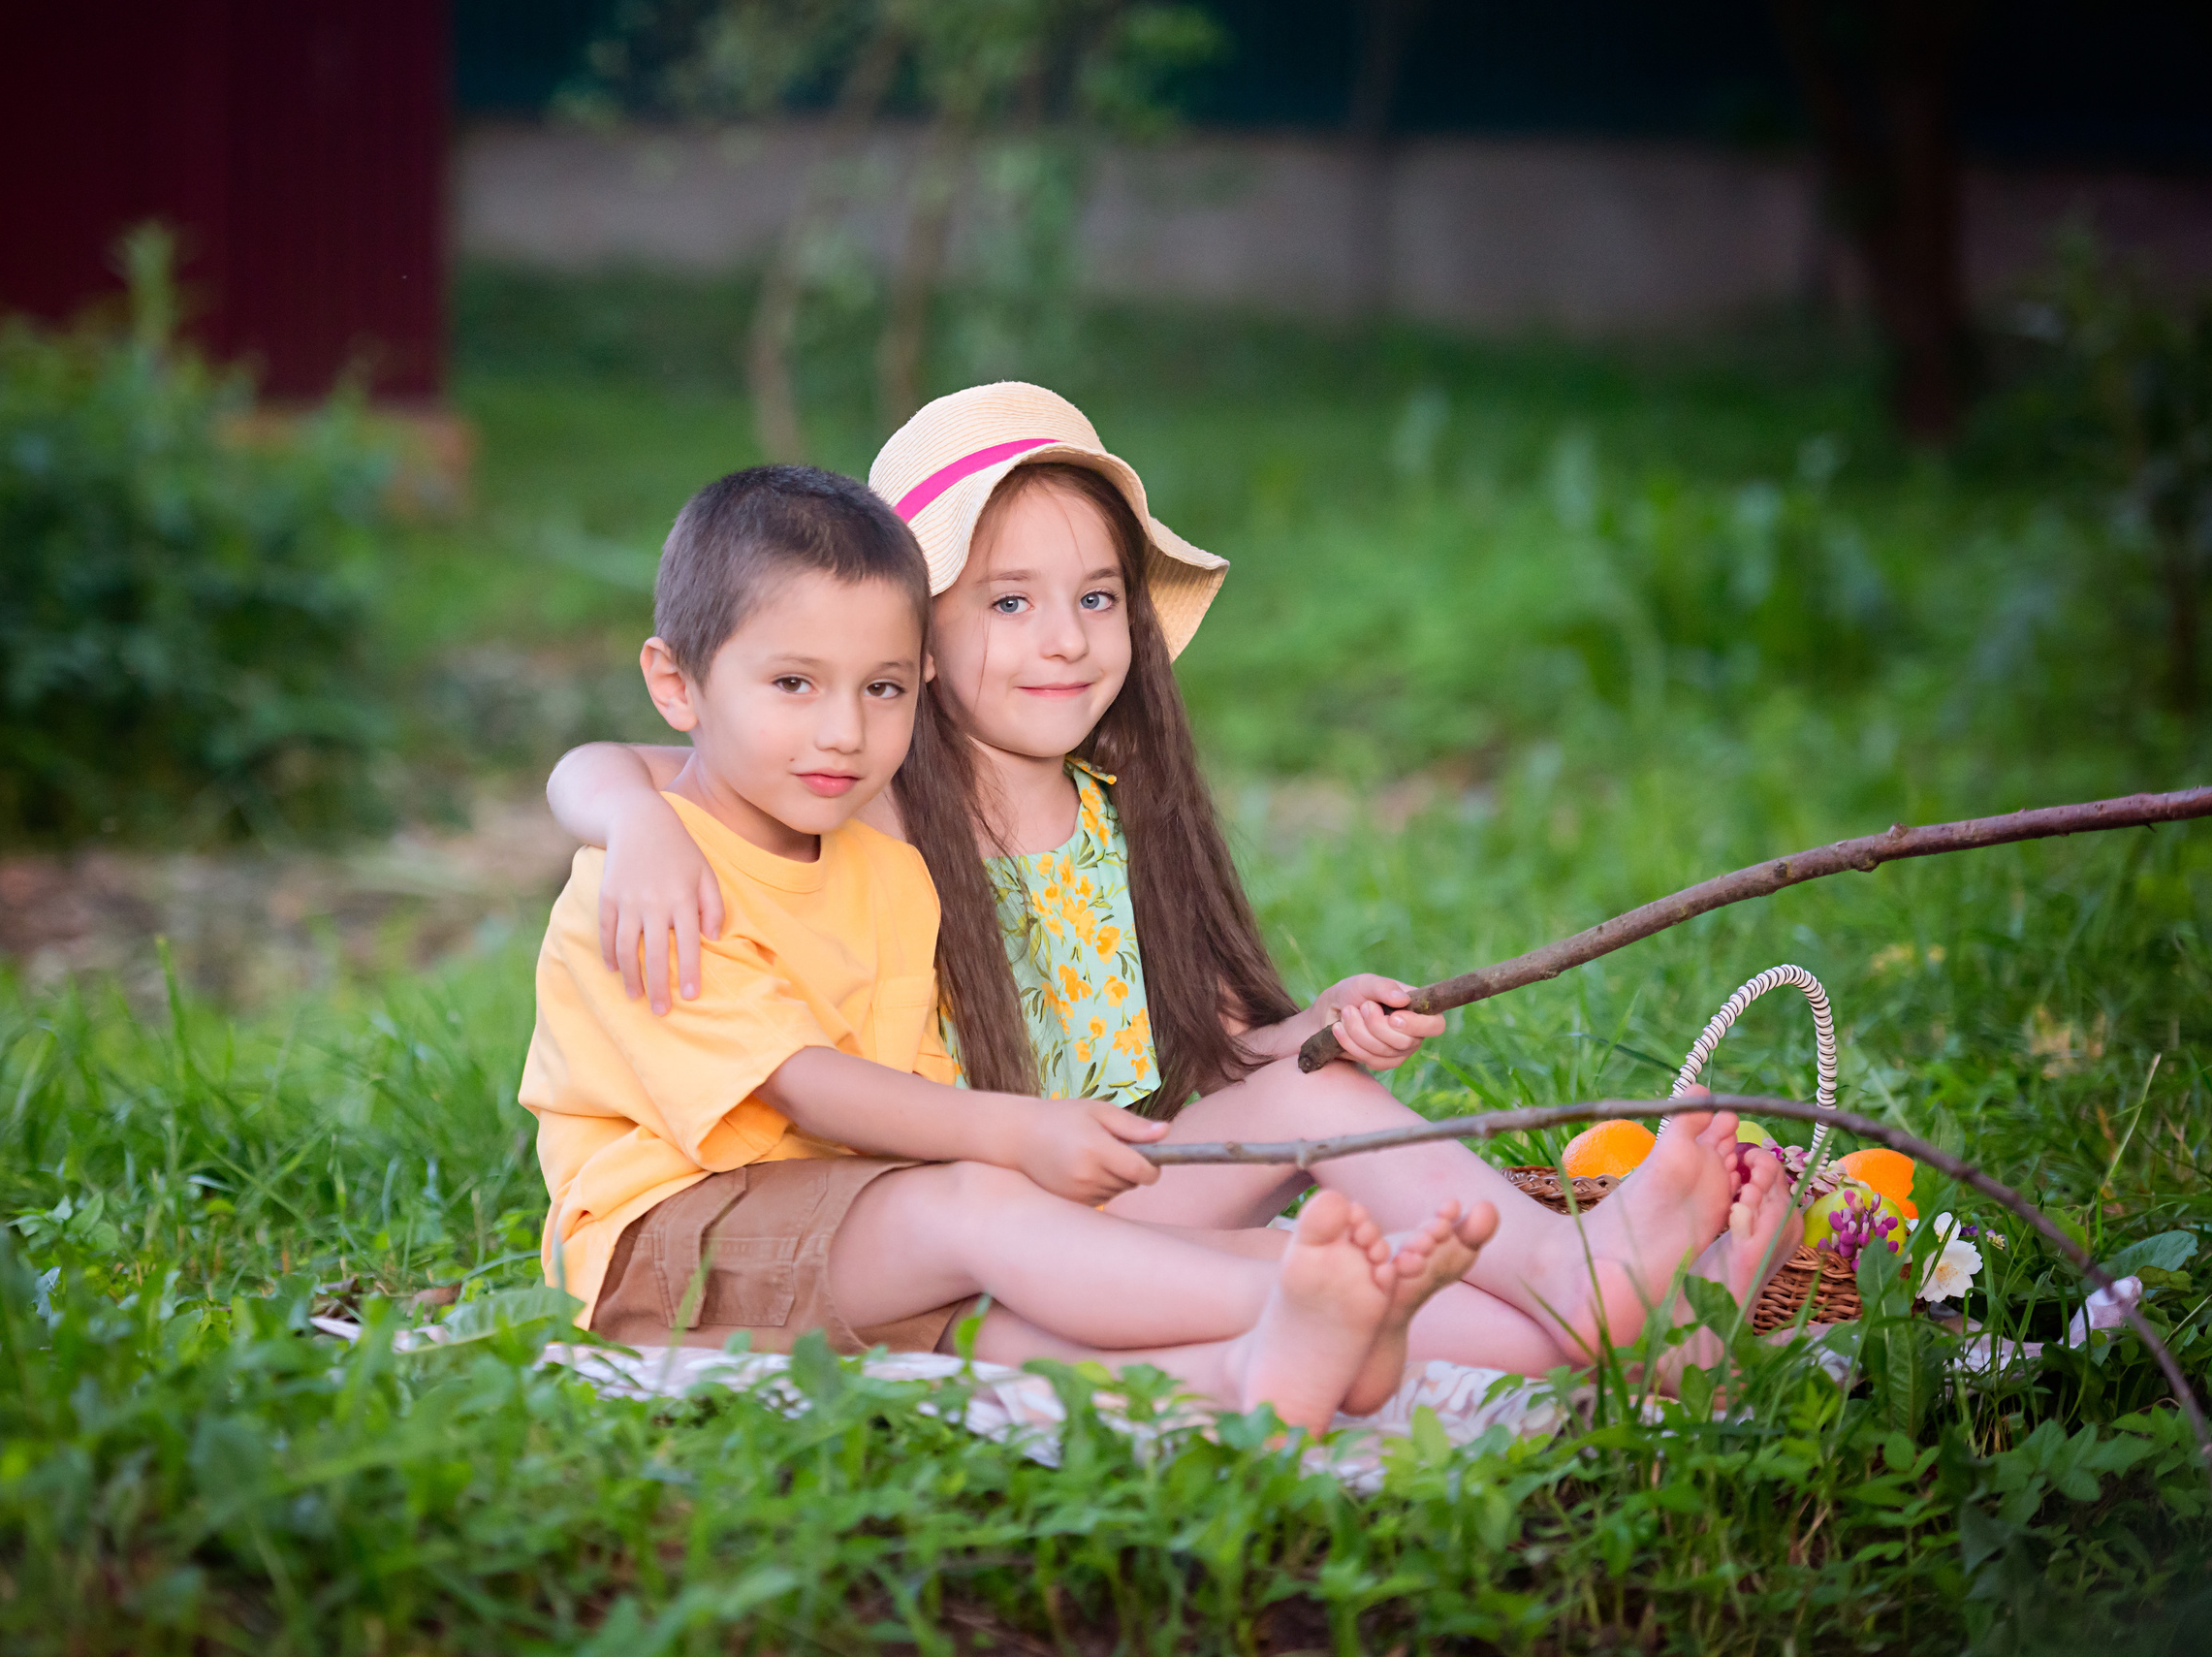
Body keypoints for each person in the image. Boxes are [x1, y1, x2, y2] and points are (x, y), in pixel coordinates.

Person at [547, 385, 1798, 1376]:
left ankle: (1575, 1283)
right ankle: (1587, 1332)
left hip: (1098, 1204)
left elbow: (1215, 1053)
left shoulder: (1111, 815)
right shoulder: (864, 792)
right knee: (1092, 1277)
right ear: (917, 637)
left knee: (1324, 1098)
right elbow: (653, 766)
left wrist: (1316, 1035)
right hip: (974, 1227)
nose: (1065, 638)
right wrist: (626, 819)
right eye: (1011, 601)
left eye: (1097, 597)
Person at [520, 461, 1496, 1431]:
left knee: (1025, 1295)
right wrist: (1015, 1133)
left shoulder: (883, 864)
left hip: (852, 1220)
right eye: (792, 683)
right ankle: (1319, 1308)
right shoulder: (647, 884)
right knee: (980, 1212)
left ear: (923, 676)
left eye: (882, 688)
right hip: (664, 1248)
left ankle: (1271, 1359)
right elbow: (803, 1084)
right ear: (674, 684)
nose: (843, 731)